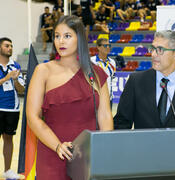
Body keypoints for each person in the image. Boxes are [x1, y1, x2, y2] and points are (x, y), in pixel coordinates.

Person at [26, 15, 113, 180]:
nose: (61, 41)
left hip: (89, 157)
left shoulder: (95, 73)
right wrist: (57, 146)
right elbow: (32, 117)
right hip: (52, 154)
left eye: (67, 36)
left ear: (79, 39)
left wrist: (103, 150)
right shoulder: (43, 71)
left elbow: (105, 116)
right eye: (57, 36)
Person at [114, 30, 175, 145]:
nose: (153, 54)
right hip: (141, 158)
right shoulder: (136, 81)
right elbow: (121, 123)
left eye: (160, 50)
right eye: (152, 48)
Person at [0, 37, 25, 179]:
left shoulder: (16, 66)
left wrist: (15, 80)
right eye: (7, 46)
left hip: (12, 109)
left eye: (11, 46)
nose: (10, 48)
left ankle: (7, 171)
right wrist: (6, 78)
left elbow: (21, 90)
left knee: (9, 138)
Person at [91, 38, 116, 106]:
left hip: (109, 99)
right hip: (95, 99)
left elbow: (112, 78)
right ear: (98, 47)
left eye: (109, 45)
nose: (108, 47)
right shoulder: (91, 61)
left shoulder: (112, 62)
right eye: (105, 46)